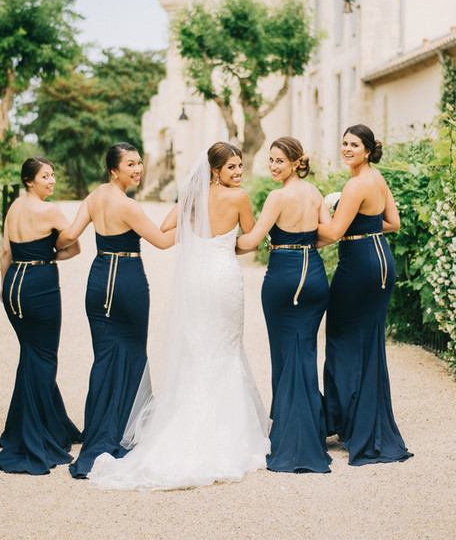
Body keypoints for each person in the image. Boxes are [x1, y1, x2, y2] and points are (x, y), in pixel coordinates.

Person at [86, 141, 270, 491]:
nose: (238, 172)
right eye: (231, 167)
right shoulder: (240, 198)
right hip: (223, 276)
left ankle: (185, 425)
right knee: (225, 348)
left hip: (196, 279)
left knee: (199, 349)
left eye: (240, 166)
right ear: (215, 170)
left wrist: (198, 235)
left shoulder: (191, 197)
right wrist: (226, 244)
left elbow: (168, 228)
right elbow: (250, 242)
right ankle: (228, 431)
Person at [55, 142, 176, 479]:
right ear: (113, 170)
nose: (137, 169)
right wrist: (198, 223)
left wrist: (38, 246)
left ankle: (99, 428)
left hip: (98, 280)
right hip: (127, 282)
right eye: (130, 165)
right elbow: (162, 241)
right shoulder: (128, 205)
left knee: (104, 358)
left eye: (139, 163)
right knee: (134, 355)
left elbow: (68, 236)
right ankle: (127, 431)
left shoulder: (94, 197)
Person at [0, 157, 81, 474]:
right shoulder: (51, 211)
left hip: (13, 287)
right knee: (45, 357)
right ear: (29, 180)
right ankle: (37, 434)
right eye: (45, 176)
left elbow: (5, 252)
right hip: (40, 286)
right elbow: (74, 246)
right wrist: (49, 254)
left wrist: (3, 287)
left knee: (31, 354)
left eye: (53, 175)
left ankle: (37, 424)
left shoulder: (14, 207)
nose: (52, 180)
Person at [317, 124, 412, 466]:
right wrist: (358, 225)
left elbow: (332, 233)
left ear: (368, 150)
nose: (347, 148)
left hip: (358, 266)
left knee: (341, 338)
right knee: (368, 343)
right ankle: (357, 419)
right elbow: (393, 222)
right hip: (381, 261)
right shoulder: (377, 178)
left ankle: (350, 422)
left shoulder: (356, 184)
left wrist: (295, 229)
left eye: (354, 144)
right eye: (344, 143)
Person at [237, 137, 332, 473]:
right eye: (271, 160)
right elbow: (330, 233)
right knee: (304, 352)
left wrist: (216, 243)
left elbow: (251, 240)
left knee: (284, 355)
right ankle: (312, 430)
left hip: (283, 278)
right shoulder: (315, 192)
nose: (273, 166)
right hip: (314, 276)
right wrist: (304, 242)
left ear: (295, 163)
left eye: (279, 160)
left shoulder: (277, 197)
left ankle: (292, 437)